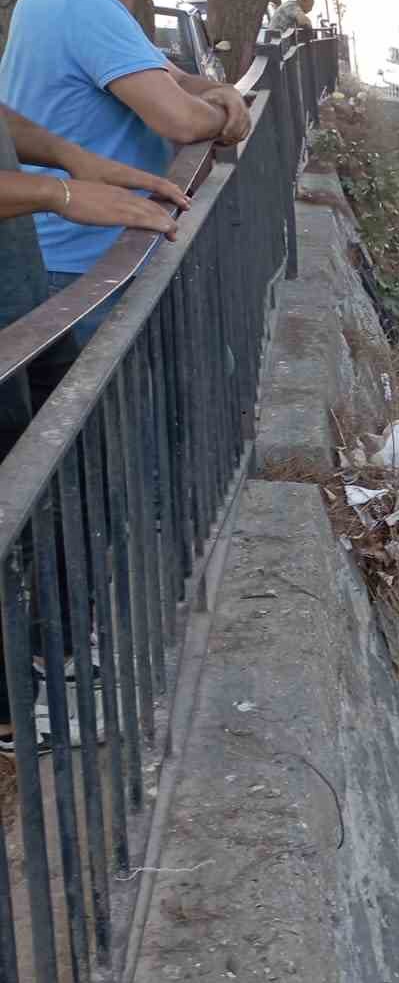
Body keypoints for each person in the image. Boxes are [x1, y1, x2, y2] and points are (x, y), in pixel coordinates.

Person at [0, 108, 189, 754]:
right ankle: (12, 720)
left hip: (24, 308)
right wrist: (62, 191)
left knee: (55, 482)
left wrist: (67, 157)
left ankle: (48, 659)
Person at [0, 0, 249, 315]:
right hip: (88, 262)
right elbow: (179, 119)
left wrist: (221, 92)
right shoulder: (85, 6)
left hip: (69, 251)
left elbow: (176, 81)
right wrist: (228, 119)